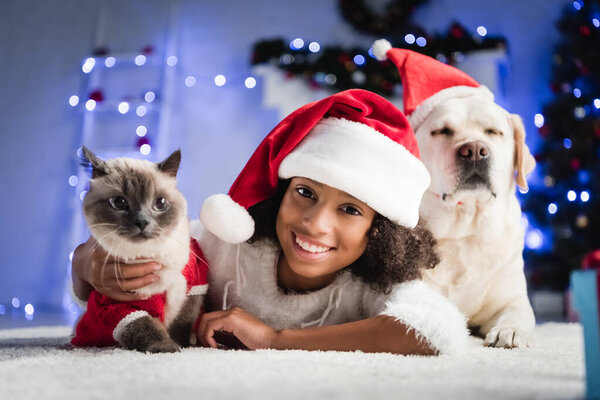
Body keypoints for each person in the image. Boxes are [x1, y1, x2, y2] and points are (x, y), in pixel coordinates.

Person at [72, 89, 469, 355]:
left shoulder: (373, 282)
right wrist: (85, 261)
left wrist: (275, 339)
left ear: (379, 231)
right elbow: (149, 242)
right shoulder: (226, 244)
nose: (315, 224)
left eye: (350, 210)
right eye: (305, 193)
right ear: (280, 195)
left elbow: (438, 332)